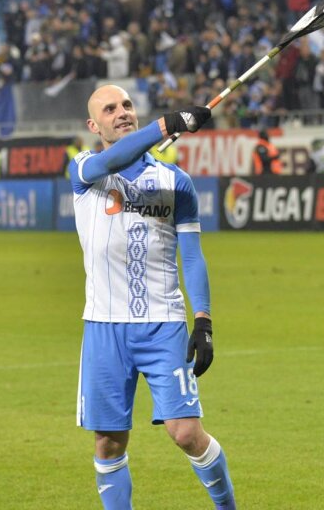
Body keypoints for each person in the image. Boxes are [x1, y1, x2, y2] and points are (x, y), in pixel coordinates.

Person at [68, 85, 236, 510]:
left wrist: (203, 319)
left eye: (126, 105)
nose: (121, 113)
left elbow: (193, 256)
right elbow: (111, 159)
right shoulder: (87, 169)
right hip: (104, 326)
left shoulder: (175, 182)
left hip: (163, 324)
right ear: (94, 125)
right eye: (109, 109)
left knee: (186, 432)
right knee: (108, 442)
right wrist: (167, 124)